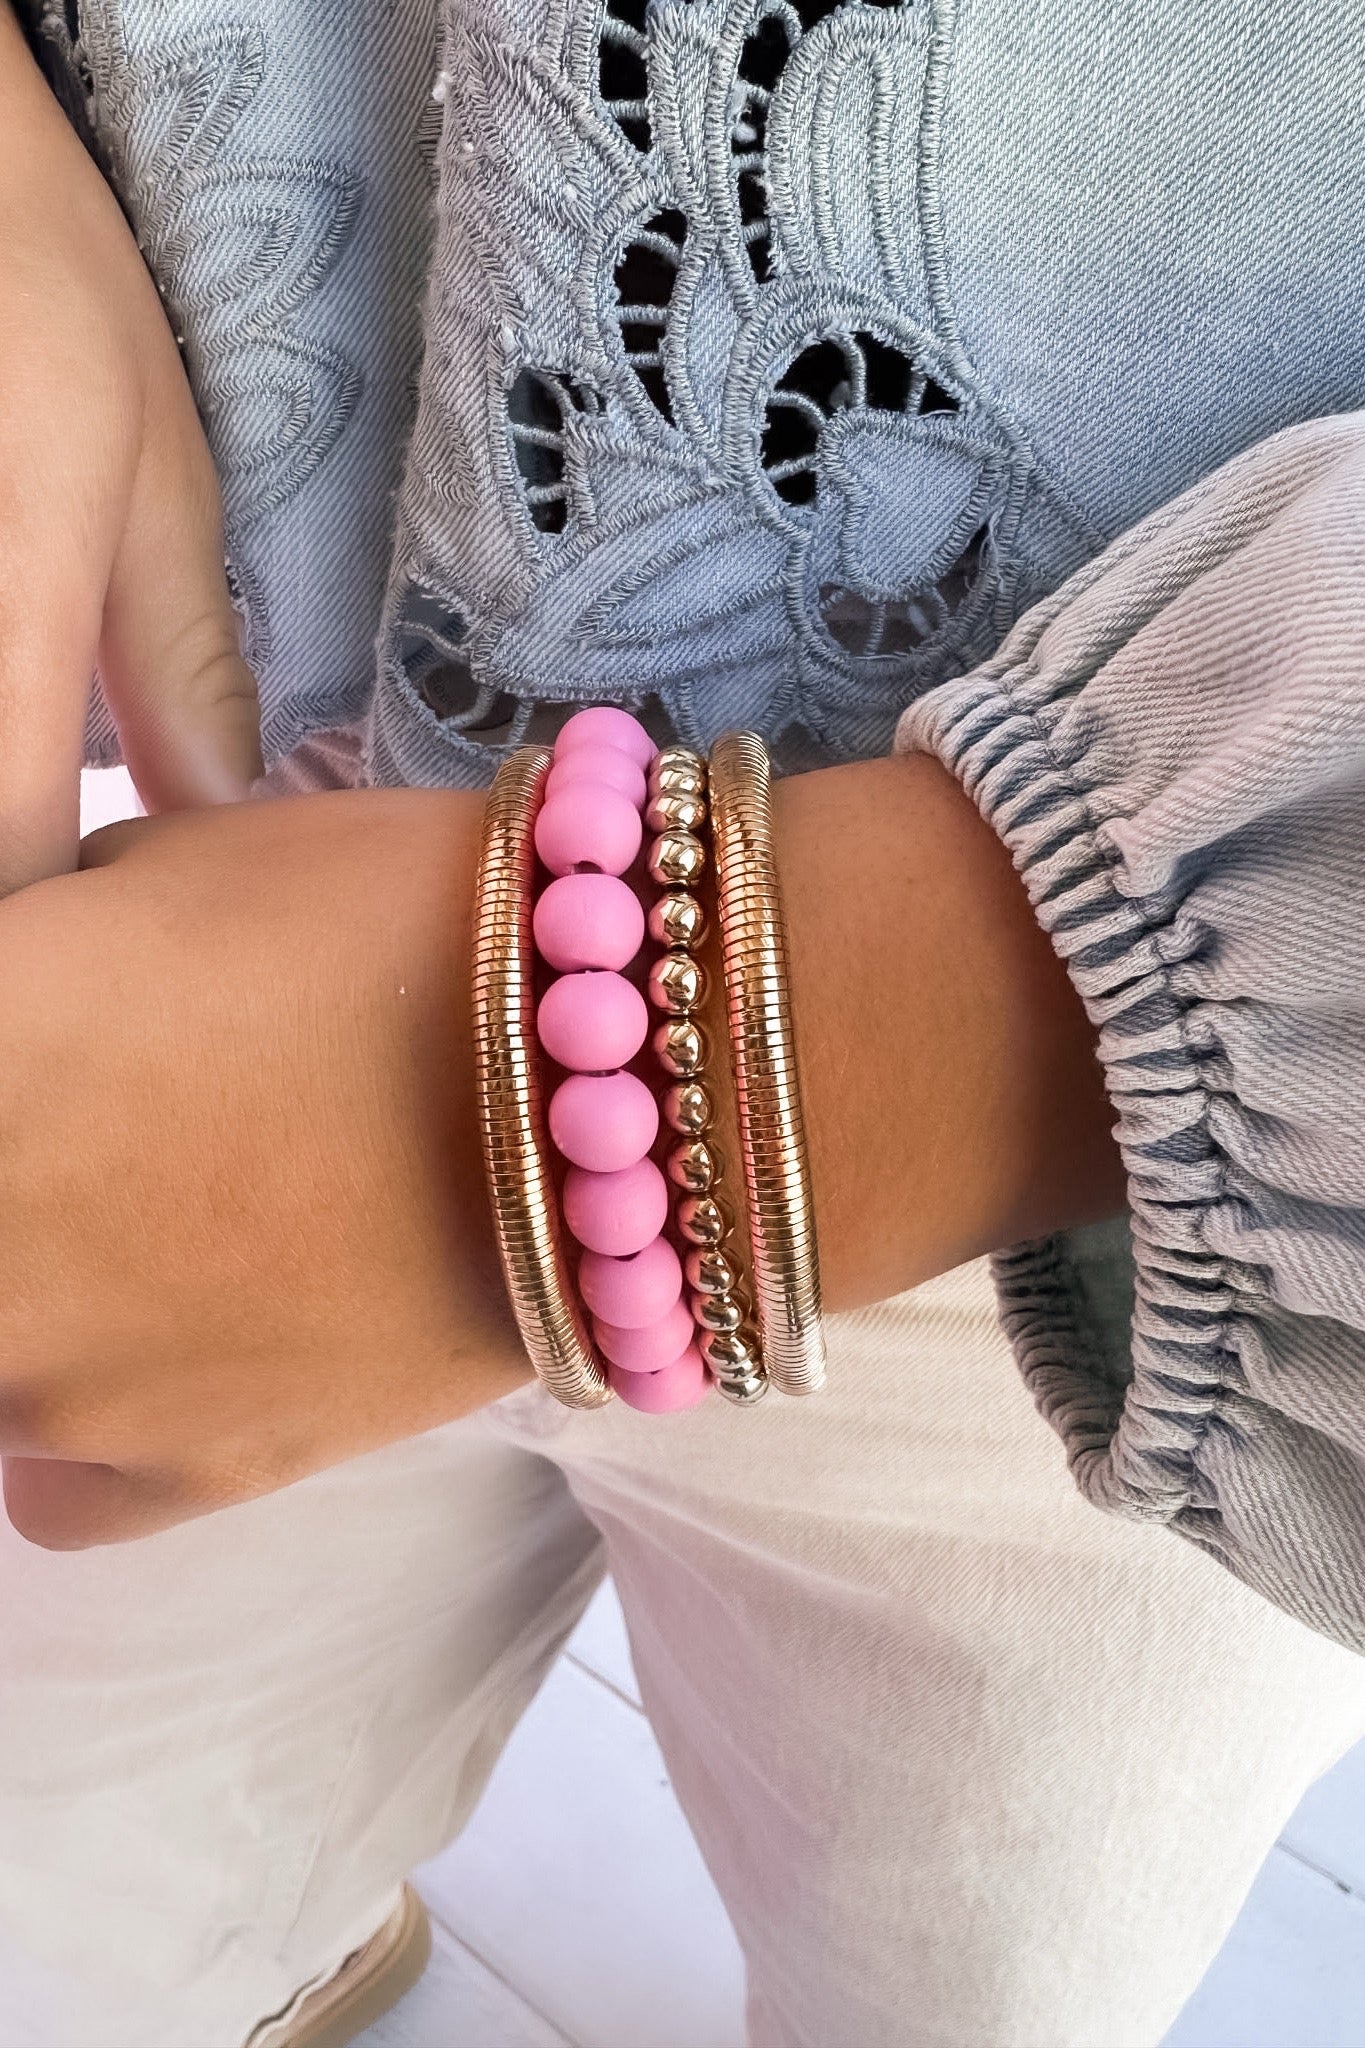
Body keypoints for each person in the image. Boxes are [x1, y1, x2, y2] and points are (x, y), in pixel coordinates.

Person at [0, 1, 1363, 2043]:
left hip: (1148, 1226)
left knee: (968, 1975)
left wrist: (761, 1037)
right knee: (106, 1850)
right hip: (172, 957)